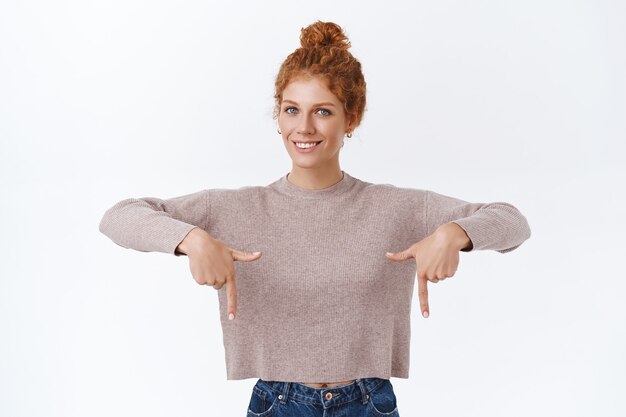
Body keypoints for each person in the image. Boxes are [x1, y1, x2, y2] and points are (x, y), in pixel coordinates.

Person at [99, 20, 531, 417]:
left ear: (351, 119)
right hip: (278, 403)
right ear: (278, 115)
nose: (303, 127)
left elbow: (512, 222)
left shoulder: (395, 207)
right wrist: (191, 239)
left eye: (322, 111)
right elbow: (119, 216)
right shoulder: (234, 208)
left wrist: (455, 233)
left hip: (368, 403)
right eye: (291, 110)